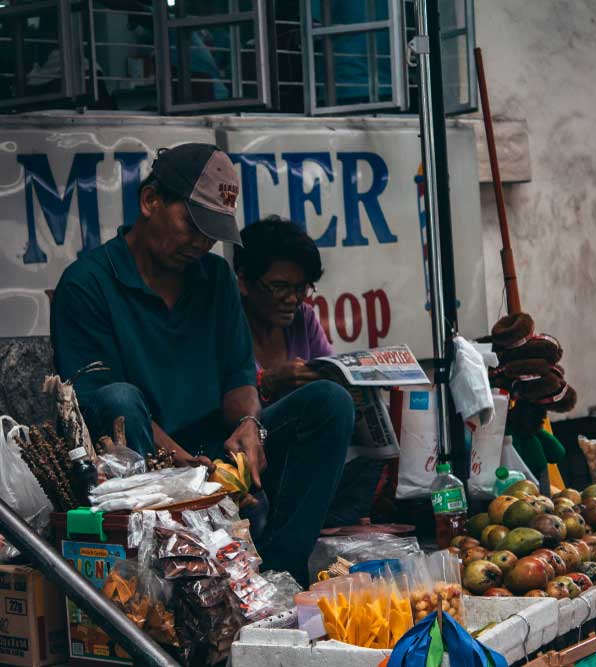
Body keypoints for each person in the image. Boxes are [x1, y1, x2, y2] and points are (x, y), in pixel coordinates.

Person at [50, 144, 354, 583]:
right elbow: (107, 406)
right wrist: (186, 468)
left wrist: (250, 424)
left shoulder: (214, 279)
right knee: (119, 397)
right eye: (192, 225)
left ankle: (280, 573)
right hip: (142, 469)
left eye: (211, 232)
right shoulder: (87, 285)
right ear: (151, 201)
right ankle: (172, 577)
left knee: (329, 401)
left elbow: (237, 379)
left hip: (213, 456)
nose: (200, 243)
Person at [233, 217, 385, 527]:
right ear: (244, 282)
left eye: (300, 287)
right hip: (254, 456)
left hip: (304, 452)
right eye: (279, 287)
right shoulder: (228, 324)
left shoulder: (303, 318)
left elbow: (330, 375)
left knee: (369, 451)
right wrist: (270, 382)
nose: (292, 298)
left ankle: (324, 526)